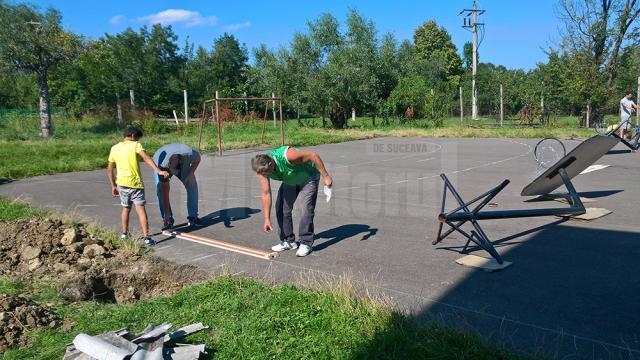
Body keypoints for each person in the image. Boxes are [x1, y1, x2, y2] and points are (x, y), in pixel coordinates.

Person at [251, 146, 332, 257]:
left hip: (309, 178)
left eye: (265, 173)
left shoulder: (288, 156)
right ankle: (288, 241)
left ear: (270, 165)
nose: (263, 176)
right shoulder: (262, 169)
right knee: (281, 208)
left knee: (306, 209)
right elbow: (266, 193)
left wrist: (326, 176)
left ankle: (306, 242)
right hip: (290, 180)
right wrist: (266, 218)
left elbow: (313, 155)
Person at [107, 126, 169, 245]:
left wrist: (113, 185)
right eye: (137, 139)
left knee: (126, 208)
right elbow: (146, 158)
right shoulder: (136, 145)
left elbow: (110, 169)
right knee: (141, 210)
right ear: (133, 136)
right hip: (136, 184)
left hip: (122, 184)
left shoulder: (114, 148)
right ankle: (146, 237)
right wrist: (159, 171)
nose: (137, 141)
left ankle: (125, 234)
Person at [152, 143, 202, 229]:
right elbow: (165, 193)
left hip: (182, 159)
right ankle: (168, 219)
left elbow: (198, 159)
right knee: (160, 192)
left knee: (192, 185)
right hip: (161, 164)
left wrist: (190, 174)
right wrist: (167, 214)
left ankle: (193, 217)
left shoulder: (190, 154)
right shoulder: (162, 166)